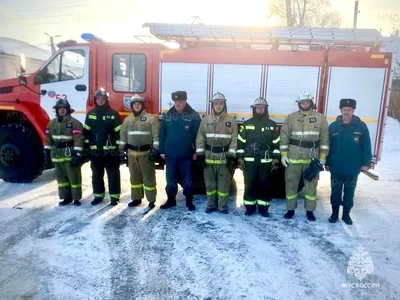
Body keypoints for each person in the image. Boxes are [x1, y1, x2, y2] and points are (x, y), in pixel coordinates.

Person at [279, 93, 329, 221]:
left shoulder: (320, 118)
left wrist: (323, 157)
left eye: (307, 102)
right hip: (293, 157)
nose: (305, 104)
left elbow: (324, 140)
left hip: (312, 158)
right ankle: (290, 210)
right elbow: (284, 137)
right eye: (302, 102)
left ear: (311, 103)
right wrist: (284, 155)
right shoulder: (291, 118)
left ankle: (310, 211)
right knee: (291, 184)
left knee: (311, 187)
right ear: (299, 104)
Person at [326, 98, 371, 225]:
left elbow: (366, 146)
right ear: (341, 110)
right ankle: (334, 214)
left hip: (353, 168)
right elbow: (328, 146)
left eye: (349, 110)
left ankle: (346, 215)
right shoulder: (334, 127)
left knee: (349, 192)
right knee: (335, 192)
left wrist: (365, 163)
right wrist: (327, 162)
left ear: (353, 110)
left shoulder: (361, 126)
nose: (346, 112)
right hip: (336, 167)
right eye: (344, 110)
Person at [236, 97, 280, 217]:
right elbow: (240, 142)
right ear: (254, 109)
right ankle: (249, 207)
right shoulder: (246, 124)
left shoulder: (272, 125)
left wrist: (276, 158)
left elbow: (276, 143)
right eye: (257, 108)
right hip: (249, 161)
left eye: (262, 107)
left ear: (265, 109)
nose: (259, 109)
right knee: (249, 184)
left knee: (264, 184)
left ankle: (263, 208)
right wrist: (240, 158)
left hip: (266, 161)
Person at [196, 92, 237, 214]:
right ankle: (211, 204)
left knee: (223, 184)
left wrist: (231, 156)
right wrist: (200, 155)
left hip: (224, 157)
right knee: (210, 184)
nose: (218, 106)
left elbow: (234, 140)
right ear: (212, 105)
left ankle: (222, 206)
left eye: (221, 103)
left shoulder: (231, 120)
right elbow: (200, 138)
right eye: (216, 103)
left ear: (224, 105)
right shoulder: (205, 120)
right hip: (209, 156)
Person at [159, 91, 201, 211]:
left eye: (180, 102)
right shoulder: (168, 115)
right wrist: (161, 150)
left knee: (188, 179)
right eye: (176, 102)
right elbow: (162, 134)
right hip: (170, 155)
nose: (178, 104)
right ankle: (171, 200)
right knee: (170, 179)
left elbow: (198, 135)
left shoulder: (193, 115)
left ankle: (189, 201)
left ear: (185, 102)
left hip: (186, 155)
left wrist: (196, 151)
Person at [119, 94, 160, 210]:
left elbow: (156, 137)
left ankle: (151, 200)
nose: (137, 106)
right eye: (134, 104)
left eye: (139, 104)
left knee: (148, 178)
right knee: (134, 178)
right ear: (131, 106)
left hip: (145, 154)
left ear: (142, 105)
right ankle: (136, 199)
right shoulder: (127, 120)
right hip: (131, 154)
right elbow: (123, 136)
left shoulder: (151, 119)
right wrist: (121, 151)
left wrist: (155, 151)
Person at [84, 89, 122, 206]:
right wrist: (87, 148)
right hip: (95, 151)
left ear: (106, 100)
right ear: (96, 100)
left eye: (102, 99)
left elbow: (118, 133)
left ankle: (114, 197)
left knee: (113, 174)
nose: (100, 101)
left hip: (110, 152)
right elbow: (86, 132)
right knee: (96, 174)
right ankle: (98, 196)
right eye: (98, 99)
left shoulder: (113, 114)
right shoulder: (91, 114)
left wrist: (118, 150)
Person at [44, 99, 84, 206]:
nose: (62, 110)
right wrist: (47, 152)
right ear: (56, 110)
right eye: (59, 108)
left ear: (68, 110)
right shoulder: (51, 123)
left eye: (64, 108)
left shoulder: (75, 123)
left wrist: (77, 154)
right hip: (57, 155)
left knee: (73, 177)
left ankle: (76, 198)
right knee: (61, 179)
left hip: (70, 154)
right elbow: (47, 139)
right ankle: (66, 198)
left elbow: (78, 139)